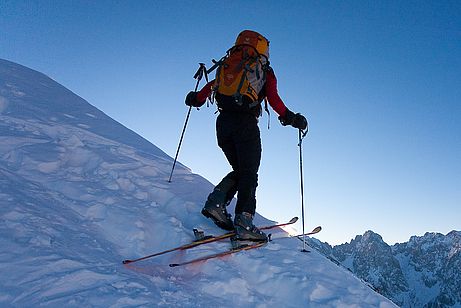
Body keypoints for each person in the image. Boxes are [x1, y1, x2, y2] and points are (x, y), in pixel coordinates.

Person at [185, 30, 307, 242]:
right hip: (245, 125)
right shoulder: (263, 70)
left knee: (241, 170)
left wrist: (196, 98)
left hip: (222, 124)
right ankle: (244, 221)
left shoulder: (229, 63)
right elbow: (274, 99)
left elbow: (210, 87)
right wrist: (292, 118)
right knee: (249, 173)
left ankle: (216, 203)